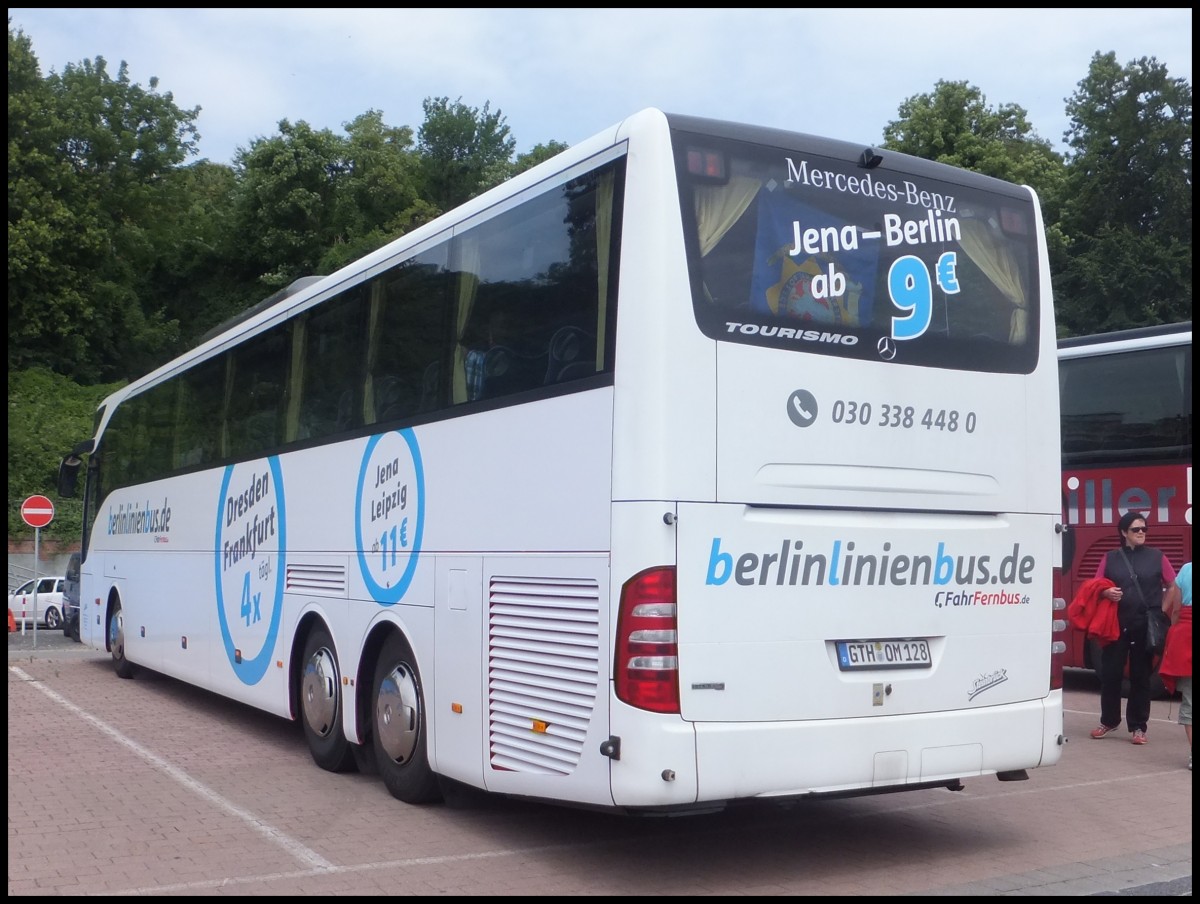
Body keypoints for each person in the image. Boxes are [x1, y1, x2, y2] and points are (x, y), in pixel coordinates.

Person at [1089, 511, 1177, 745]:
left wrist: (1160, 610)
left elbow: (1172, 585)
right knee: (1110, 675)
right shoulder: (1110, 557)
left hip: (1143, 625)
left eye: (1144, 529)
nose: (1141, 533)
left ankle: (1139, 727)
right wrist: (1106, 592)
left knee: (1141, 677)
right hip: (1115, 625)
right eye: (1136, 529)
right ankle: (1108, 721)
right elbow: (1094, 587)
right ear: (1123, 532)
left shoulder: (1157, 556)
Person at [1158, 561, 1192, 769]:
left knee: (1190, 700)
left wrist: (1173, 635)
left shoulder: (1187, 569)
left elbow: (1177, 611)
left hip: (1187, 639)